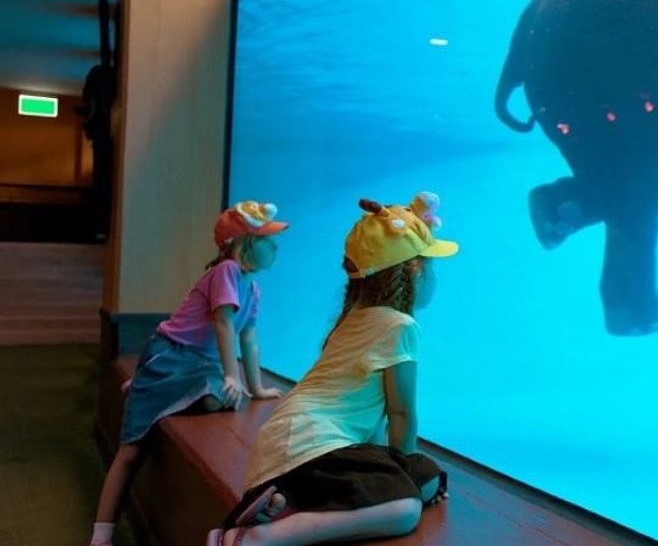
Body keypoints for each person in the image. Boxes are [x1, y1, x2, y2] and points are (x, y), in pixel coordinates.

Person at [207, 192, 458, 546]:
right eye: (429, 266)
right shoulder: (400, 326)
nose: (433, 277)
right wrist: (400, 475)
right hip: (314, 449)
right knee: (405, 507)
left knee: (430, 476)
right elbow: (401, 414)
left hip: (288, 451)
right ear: (412, 273)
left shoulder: (354, 319)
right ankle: (259, 538)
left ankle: (288, 504)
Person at [88, 201, 289, 546]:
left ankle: (146, 387)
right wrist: (232, 376)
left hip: (202, 364)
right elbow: (223, 323)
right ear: (244, 244)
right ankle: (100, 536)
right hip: (171, 357)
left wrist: (255, 388)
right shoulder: (226, 271)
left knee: (220, 401)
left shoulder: (252, 288)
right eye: (267, 239)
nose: (275, 246)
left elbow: (248, 338)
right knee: (132, 451)